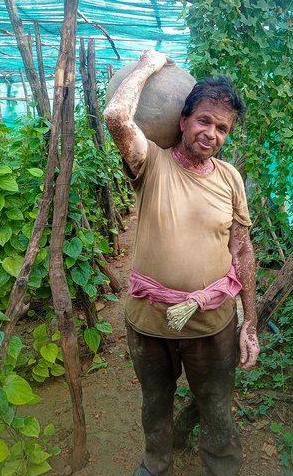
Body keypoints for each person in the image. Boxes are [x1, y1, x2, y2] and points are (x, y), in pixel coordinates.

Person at [104, 49, 259, 476]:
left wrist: (250, 323)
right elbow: (117, 118)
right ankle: (156, 464)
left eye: (222, 127)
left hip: (212, 326)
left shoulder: (230, 180)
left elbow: (242, 250)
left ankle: (222, 467)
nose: (212, 133)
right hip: (150, 323)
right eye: (204, 120)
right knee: (155, 402)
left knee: (217, 406)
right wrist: (149, 66)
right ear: (184, 121)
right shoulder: (151, 163)